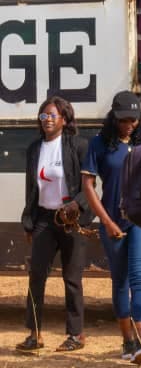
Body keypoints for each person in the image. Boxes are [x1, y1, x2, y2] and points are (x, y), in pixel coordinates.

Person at [81, 91, 141, 364]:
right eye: (123, 120)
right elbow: (88, 186)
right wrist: (107, 222)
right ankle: (127, 341)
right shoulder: (99, 145)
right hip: (111, 219)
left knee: (140, 279)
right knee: (120, 281)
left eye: (134, 120)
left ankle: (138, 343)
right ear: (113, 117)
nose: (129, 125)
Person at [17, 96, 91, 353]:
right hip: (45, 220)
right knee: (36, 276)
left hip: (71, 221)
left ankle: (76, 334)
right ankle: (34, 333)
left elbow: (90, 187)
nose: (47, 120)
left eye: (52, 115)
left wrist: (78, 205)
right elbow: (31, 189)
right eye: (43, 116)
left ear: (64, 119)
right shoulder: (34, 149)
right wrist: (29, 223)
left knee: (72, 279)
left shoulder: (78, 146)